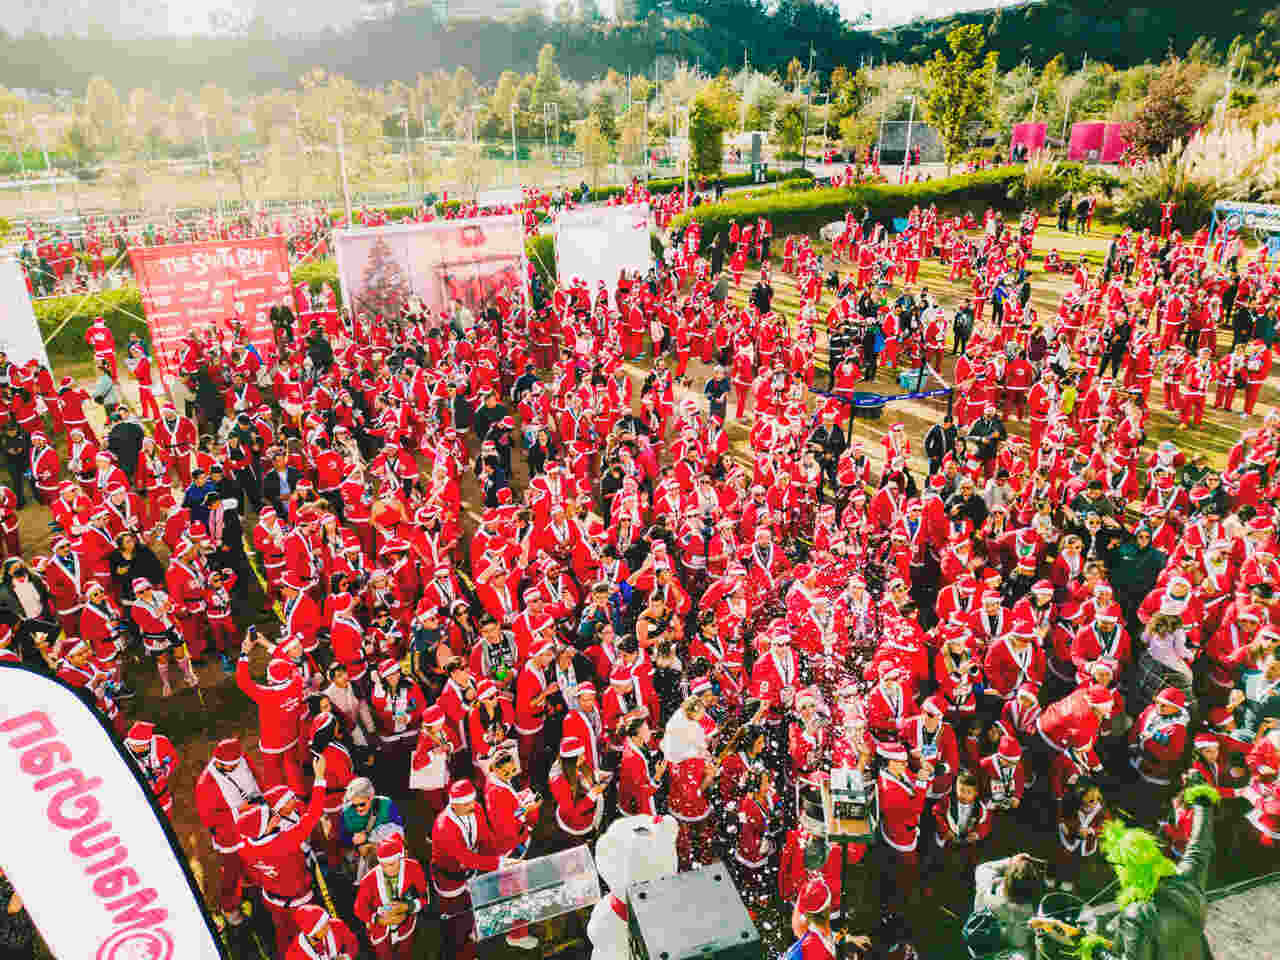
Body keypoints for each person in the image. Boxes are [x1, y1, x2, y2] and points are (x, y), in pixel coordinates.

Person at [971, 852, 1042, 952]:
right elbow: (1020, 943)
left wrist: (1010, 861)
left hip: (978, 940)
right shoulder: (1029, 914)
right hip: (1010, 951)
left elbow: (982, 868)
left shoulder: (986, 884)